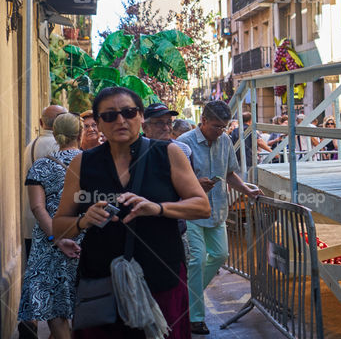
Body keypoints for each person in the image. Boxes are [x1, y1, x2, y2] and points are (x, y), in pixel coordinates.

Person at [53, 87, 210, 338]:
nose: (120, 120)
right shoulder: (82, 163)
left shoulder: (167, 154)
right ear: (98, 123)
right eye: (109, 115)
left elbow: (202, 206)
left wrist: (158, 208)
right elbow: (59, 227)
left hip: (161, 277)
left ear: (140, 117)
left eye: (128, 112)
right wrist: (83, 220)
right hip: (102, 281)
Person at [177, 100, 262, 335]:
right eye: (216, 126)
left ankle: (186, 295)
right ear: (203, 121)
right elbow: (174, 180)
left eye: (224, 127)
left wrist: (247, 190)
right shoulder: (183, 144)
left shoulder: (224, 140)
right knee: (196, 261)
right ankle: (195, 316)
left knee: (221, 254)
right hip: (192, 210)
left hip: (217, 209)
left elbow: (229, 172)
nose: (220, 131)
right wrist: (196, 183)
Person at [17, 113, 84, 339]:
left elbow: (37, 208)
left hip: (49, 243)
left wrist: (55, 238)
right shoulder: (91, 163)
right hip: (85, 238)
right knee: (84, 303)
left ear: (54, 134)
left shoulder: (41, 166)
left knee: (55, 308)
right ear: (81, 134)